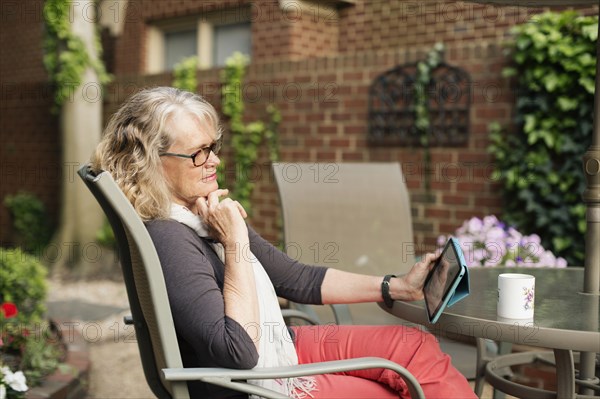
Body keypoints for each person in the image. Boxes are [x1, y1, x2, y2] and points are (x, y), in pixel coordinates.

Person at [92, 86, 476, 399]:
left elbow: (295, 279)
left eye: (213, 147)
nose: (214, 162)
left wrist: (396, 287)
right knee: (395, 390)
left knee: (415, 348)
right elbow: (238, 353)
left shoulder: (201, 217)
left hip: (280, 347)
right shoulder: (170, 239)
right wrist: (236, 242)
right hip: (250, 386)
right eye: (198, 153)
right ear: (151, 162)